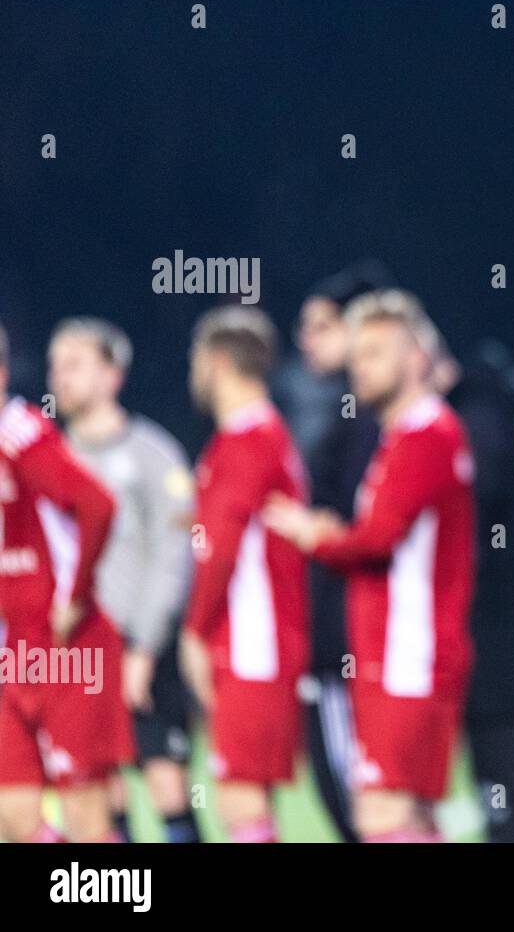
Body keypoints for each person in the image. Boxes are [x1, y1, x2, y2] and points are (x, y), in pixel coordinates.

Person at [263, 290, 476, 842]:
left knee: (380, 815)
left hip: (411, 655)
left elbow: (376, 540)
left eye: (378, 352)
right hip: (400, 653)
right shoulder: (404, 435)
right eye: (359, 353)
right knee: (409, 816)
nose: (362, 365)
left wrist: (315, 534)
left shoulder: (426, 433)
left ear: (417, 359)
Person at [47, 317, 199, 843]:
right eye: (55, 365)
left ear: (113, 375)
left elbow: (172, 557)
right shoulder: (48, 459)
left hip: (140, 647)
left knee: (165, 779)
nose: (59, 378)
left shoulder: (152, 455)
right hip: (75, 652)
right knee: (96, 788)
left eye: (74, 364)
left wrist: (145, 645)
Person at [273, 262, 392, 842]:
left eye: (321, 325)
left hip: (352, 638)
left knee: (362, 804)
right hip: (346, 638)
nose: (306, 338)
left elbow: (368, 530)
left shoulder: (380, 419)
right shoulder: (344, 412)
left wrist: (314, 527)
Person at [183, 306, 309, 843]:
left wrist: (193, 631)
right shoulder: (262, 434)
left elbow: (221, 549)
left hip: (252, 644)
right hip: (263, 642)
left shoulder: (246, 439)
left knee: (241, 806)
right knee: (251, 805)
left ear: (215, 361)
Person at [0, 320, 130, 842]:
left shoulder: (20, 432)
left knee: (87, 823)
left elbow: (97, 504)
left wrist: (73, 599)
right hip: (11, 652)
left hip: (64, 649)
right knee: (14, 817)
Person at [450, 339, 514, 841]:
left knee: (506, 776)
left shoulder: (478, 409)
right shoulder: (507, 404)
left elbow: (481, 500)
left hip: (497, 631)